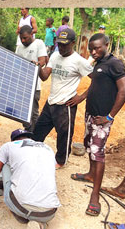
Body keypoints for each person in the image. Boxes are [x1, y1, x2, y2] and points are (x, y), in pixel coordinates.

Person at [70, 33, 125, 217]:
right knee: (89, 148)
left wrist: (109, 117)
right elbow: (95, 84)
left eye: (97, 48)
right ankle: (89, 174)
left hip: (102, 119)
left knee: (98, 153)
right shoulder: (99, 63)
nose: (94, 52)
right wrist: (81, 97)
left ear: (107, 45)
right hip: (91, 115)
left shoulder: (115, 64)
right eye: (91, 49)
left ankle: (95, 196)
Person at [33, 28, 93, 168]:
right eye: (59, 44)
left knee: (64, 136)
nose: (61, 47)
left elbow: (97, 80)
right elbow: (45, 76)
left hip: (66, 105)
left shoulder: (79, 61)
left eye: (64, 44)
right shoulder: (55, 56)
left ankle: (61, 161)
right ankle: (33, 153)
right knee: (38, 131)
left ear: (73, 43)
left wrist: (81, 97)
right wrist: (38, 68)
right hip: (51, 102)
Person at [0, 129, 60, 229]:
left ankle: (22, 215)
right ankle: (38, 222)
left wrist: (4, 188)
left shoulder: (8, 146)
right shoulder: (47, 147)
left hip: (23, 209)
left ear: (13, 140)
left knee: (5, 164)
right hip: (49, 213)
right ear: (30, 138)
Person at [16, 26, 48, 132]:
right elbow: (16, 63)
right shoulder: (20, 47)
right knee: (23, 111)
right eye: (21, 38)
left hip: (34, 85)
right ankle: (28, 131)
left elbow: (43, 60)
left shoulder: (39, 43)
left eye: (25, 38)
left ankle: (35, 134)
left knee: (33, 112)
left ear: (31, 35)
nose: (23, 40)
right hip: (22, 84)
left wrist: (36, 64)